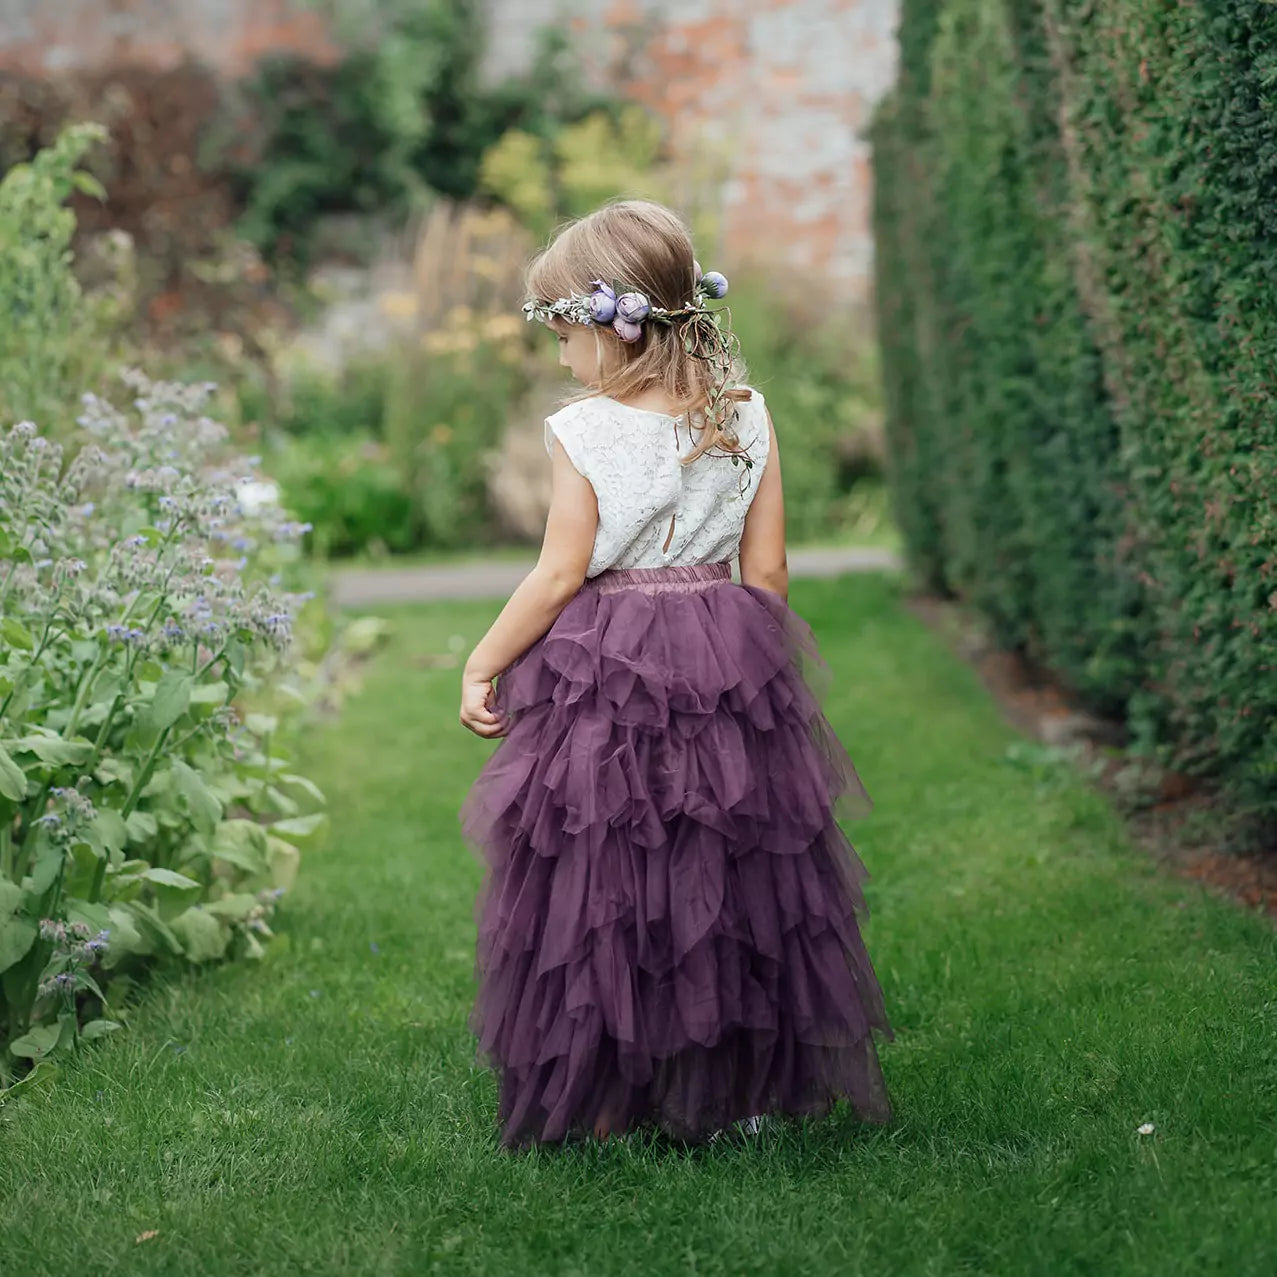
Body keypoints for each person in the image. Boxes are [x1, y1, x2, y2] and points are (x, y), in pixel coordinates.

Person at [458, 200, 893, 1150]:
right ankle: (734, 1089)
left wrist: (485, 659)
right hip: (724, 650)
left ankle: (616, 1087)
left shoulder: (585, 431)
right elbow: (768, 568)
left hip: (610, 661)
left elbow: (561, 572)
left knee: (609, 861)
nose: (563, 357)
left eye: (565, 333)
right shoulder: (744, 411)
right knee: (727, 865)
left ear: (614, 328)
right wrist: (759, 672)